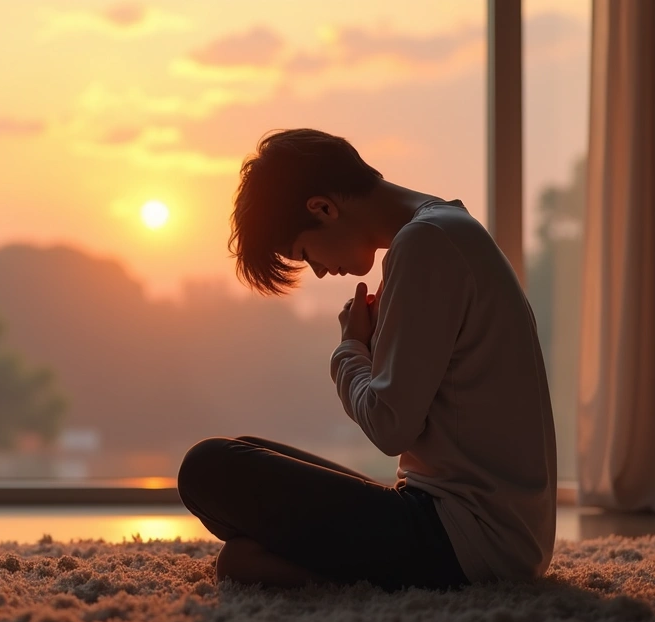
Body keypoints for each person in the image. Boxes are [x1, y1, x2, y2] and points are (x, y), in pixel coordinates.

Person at [176, 129, 557, 591]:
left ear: (323, 208)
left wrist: (349, 352)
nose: (317, 270)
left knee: (207, 466)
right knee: (248, 450)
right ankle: (327, 567)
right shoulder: (443, 229)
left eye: (304, 253)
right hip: (480, 528)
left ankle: (354, 580)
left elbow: (391, 426)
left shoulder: (425, 245)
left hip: (465, 540)